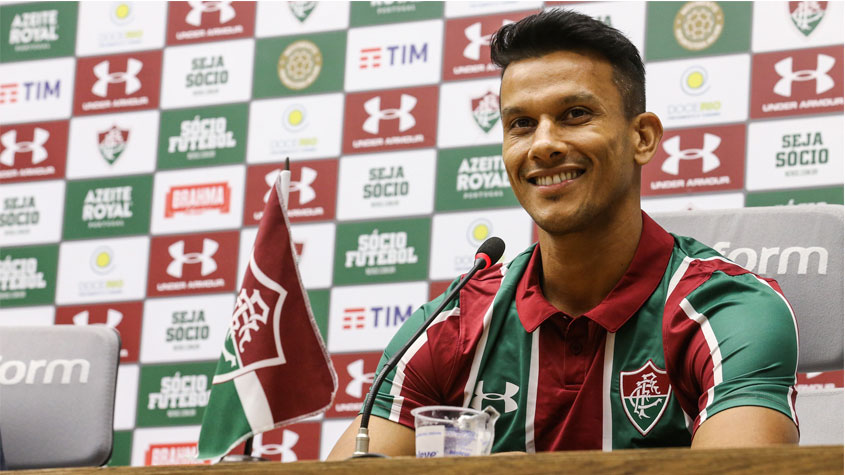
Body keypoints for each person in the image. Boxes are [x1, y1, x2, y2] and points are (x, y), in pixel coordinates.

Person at [328, 9, 798, 458]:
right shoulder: (453, 324)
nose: (544, 144)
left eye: (575, 114)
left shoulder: (727, 311)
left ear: (643, 138)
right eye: (521, 124)